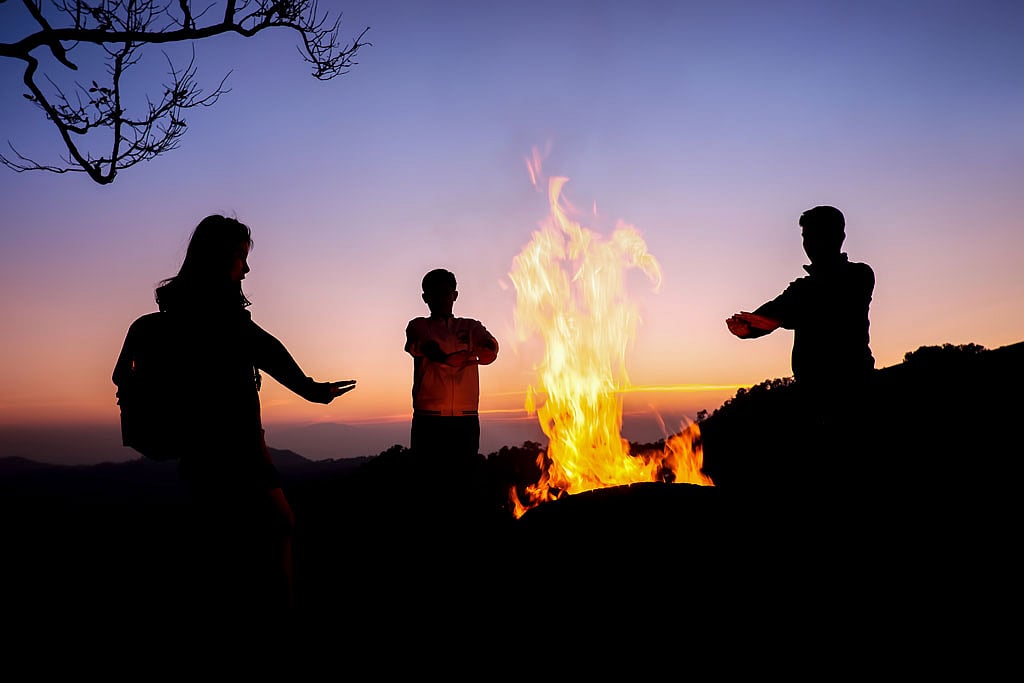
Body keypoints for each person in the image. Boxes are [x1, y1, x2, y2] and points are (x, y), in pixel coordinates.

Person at [112, 214, 356, 620]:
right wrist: (312, 390)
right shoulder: (221, 317)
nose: (247, 268)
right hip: (238, 445)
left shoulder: (171, 318)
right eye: (241, 256)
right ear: (220, 258)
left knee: (225, 540)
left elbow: (121, 376)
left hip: (197, 449)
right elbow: (268, 350)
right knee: (277, 527)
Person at [725, 205, 875, 491]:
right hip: (811, 400)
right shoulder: (801, 289)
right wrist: (747, 329)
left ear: (839, 237)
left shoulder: (858, 276)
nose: (809, 244)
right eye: (806, 237)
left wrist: (779, 321)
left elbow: (826, 307)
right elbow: (771, 313)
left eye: (816, 235)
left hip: (853, 398)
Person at [404, 268, 499, 461]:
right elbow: (425, 346)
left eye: (445, 293)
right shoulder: (419, 325)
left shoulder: (470, 326)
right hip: (428, 420)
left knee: (464, 475)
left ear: (454, 295)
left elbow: (489, 344)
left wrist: (487, 349)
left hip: (467, 419)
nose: (440, 299)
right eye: (434, 294)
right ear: (425, 298)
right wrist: (446, 358)